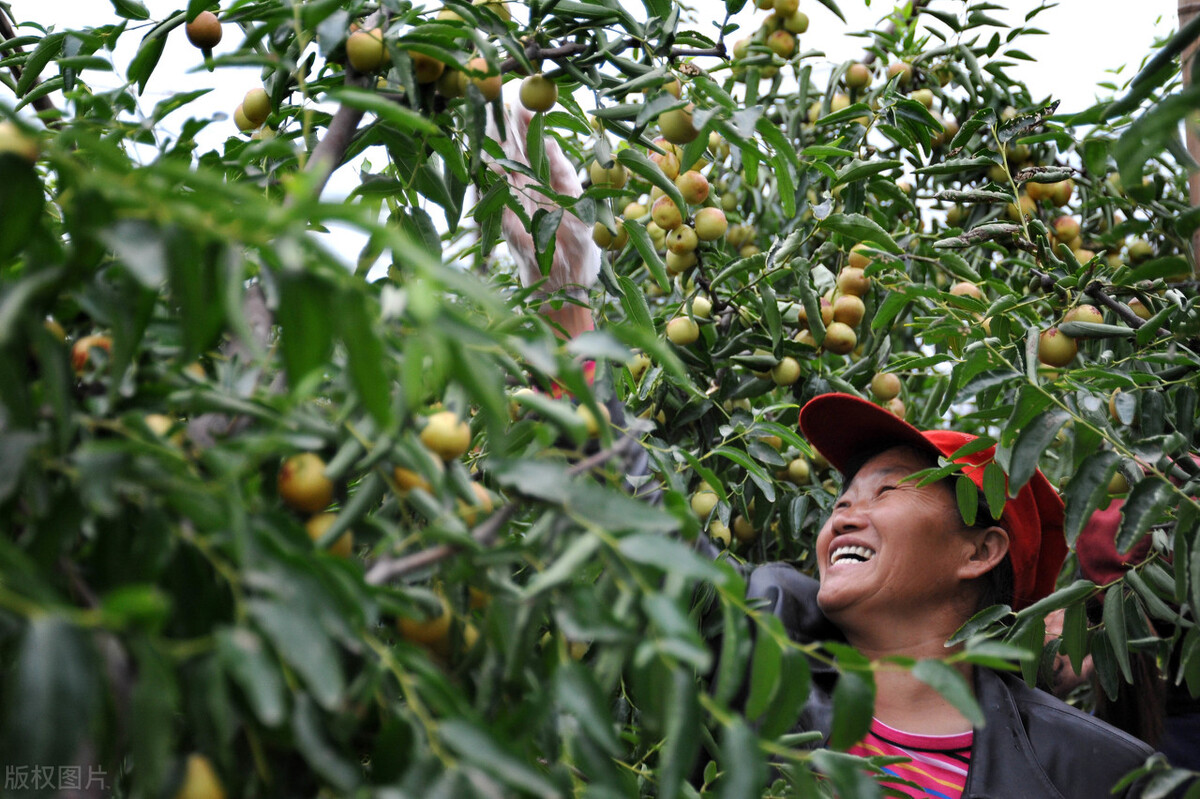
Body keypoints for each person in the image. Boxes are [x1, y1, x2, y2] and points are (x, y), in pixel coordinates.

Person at [744, 392, 1160, 798]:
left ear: (980, 552)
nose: (843, 518)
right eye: (842, 502)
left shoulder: (1100, 775)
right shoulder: (749, 664)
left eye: (886, 491)